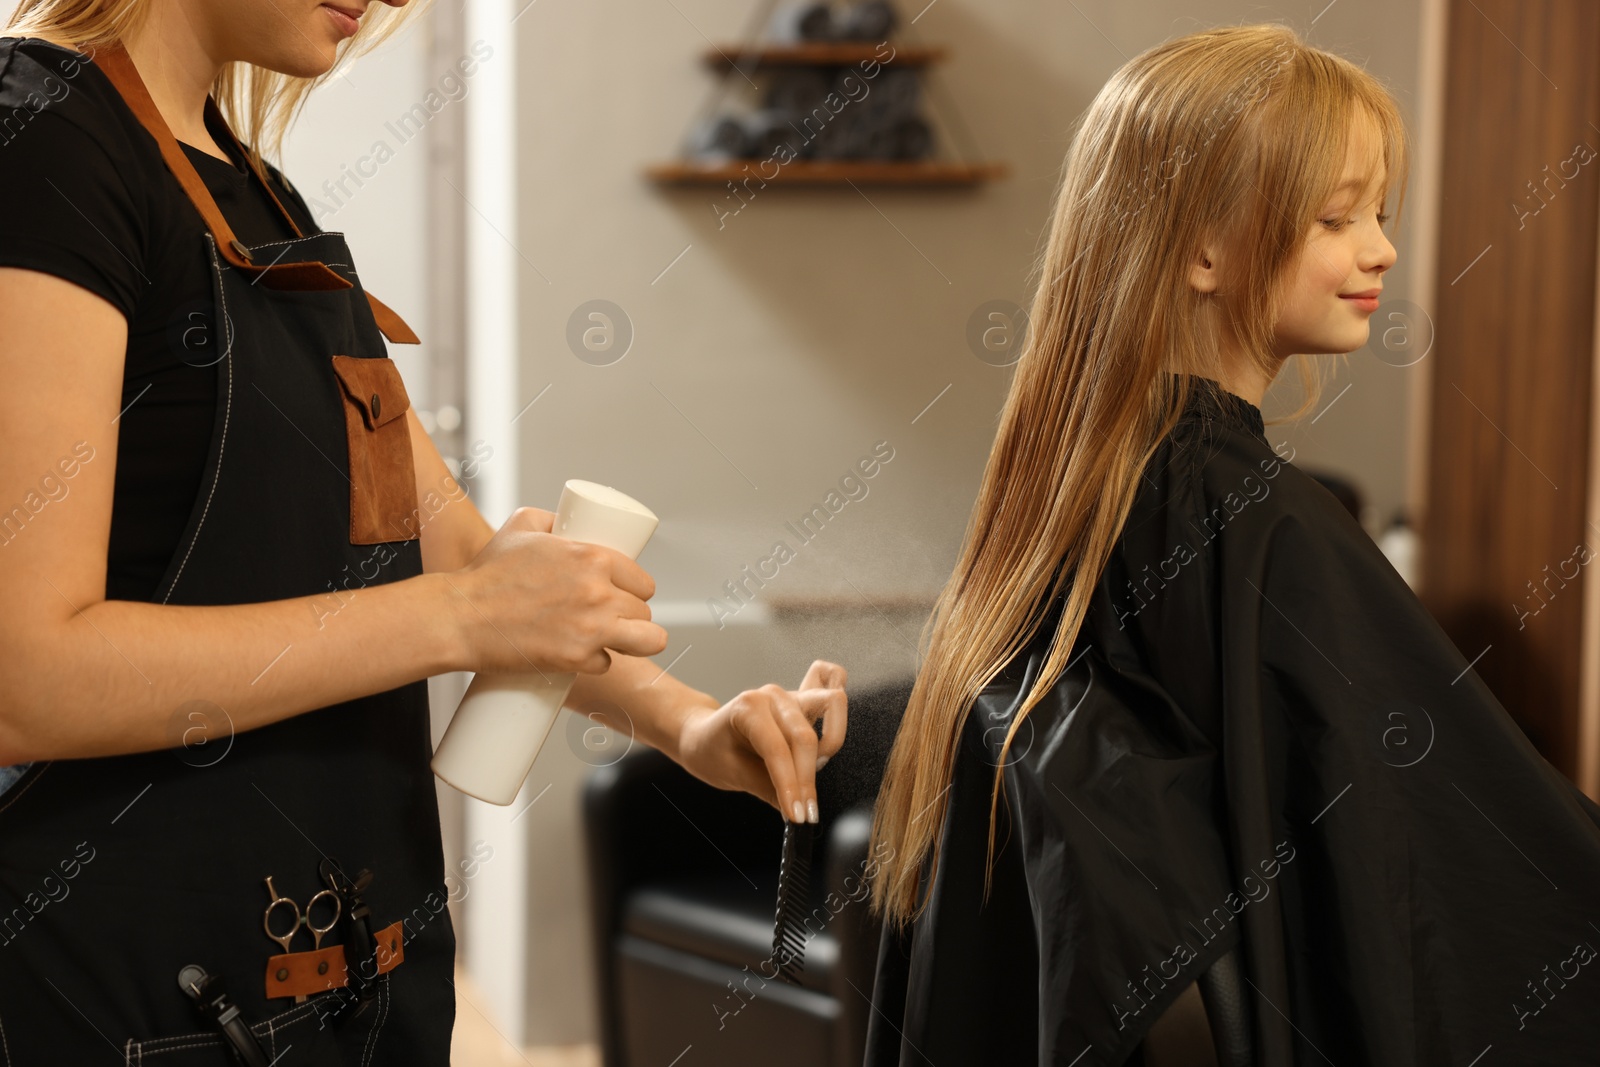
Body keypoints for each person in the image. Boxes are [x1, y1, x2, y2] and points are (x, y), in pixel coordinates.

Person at [0, 0, 846, 1061]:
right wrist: (460, 614)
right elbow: (22, 675)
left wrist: (692, 728)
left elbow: (466, 555)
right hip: (144, 1002)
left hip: (354, 978)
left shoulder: (258, 192)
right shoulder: (39, 141)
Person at [858, 23, 1600, 1067]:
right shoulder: (1254, 519)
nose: (1380, 249)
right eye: (1334, 217)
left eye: (1377, 214)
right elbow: (1469, 858)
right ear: (1202, 247)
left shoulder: (1070, 487)